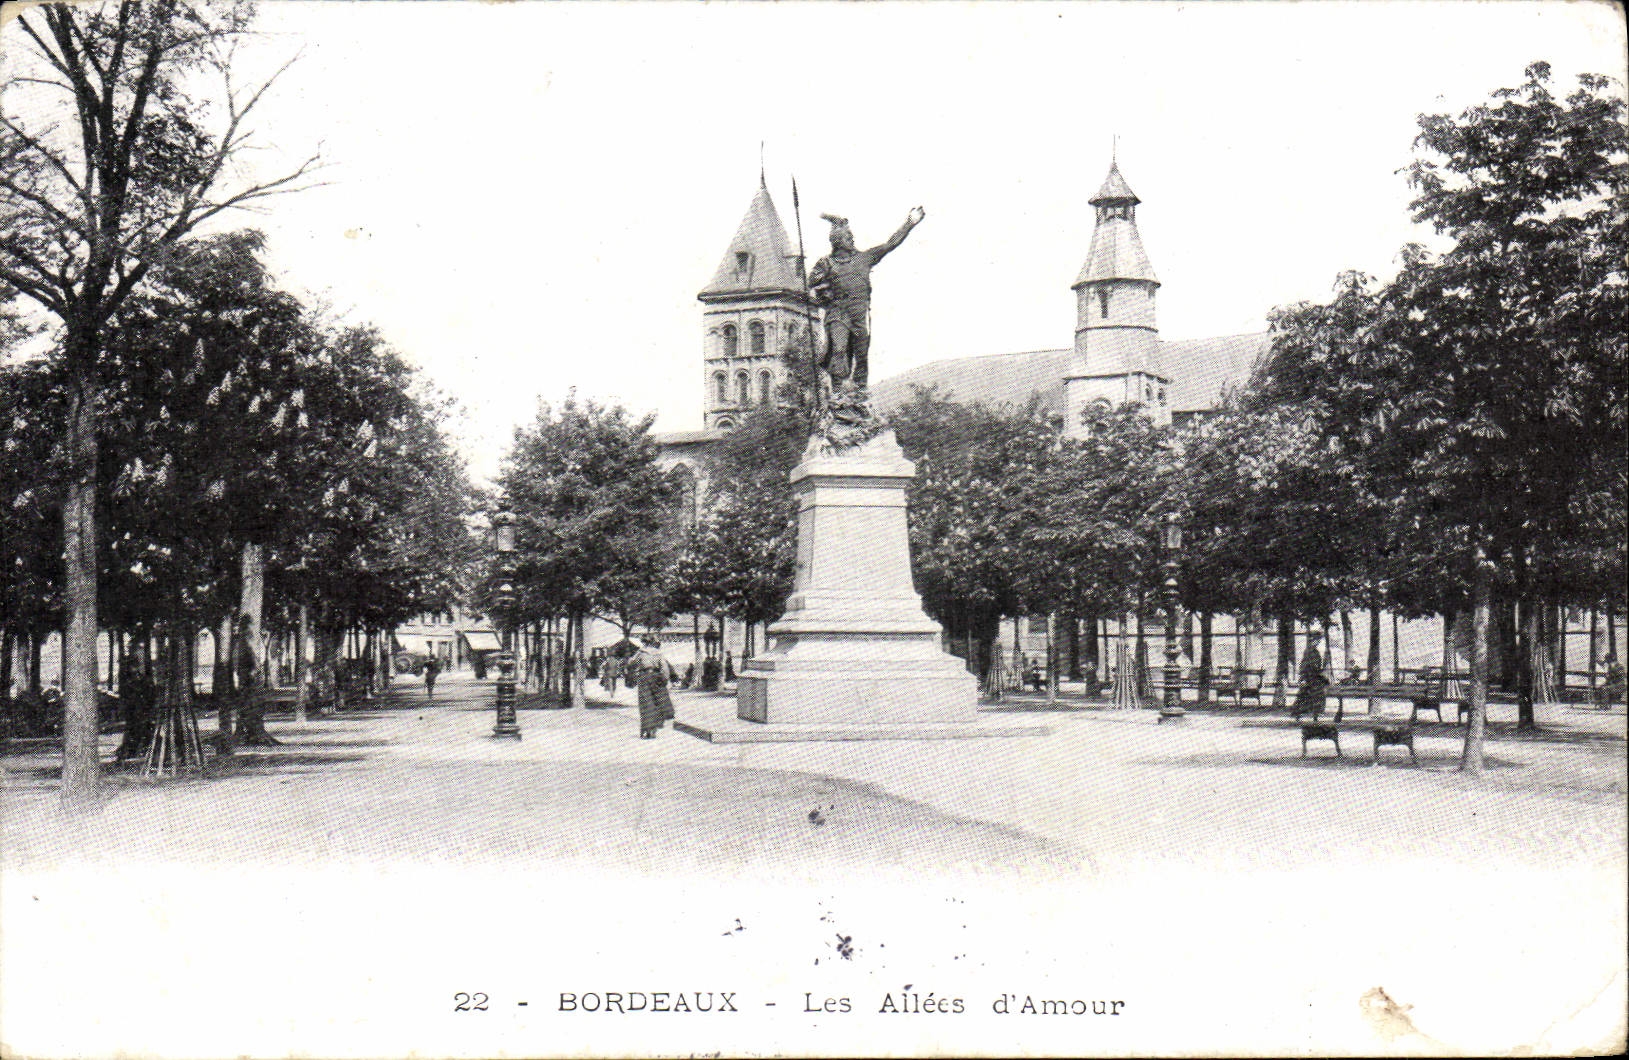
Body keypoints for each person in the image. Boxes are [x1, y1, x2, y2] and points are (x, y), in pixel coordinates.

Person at [806, 206, 925, 390]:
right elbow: (810, 285)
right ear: (837, 242)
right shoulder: (826, 263)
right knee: (839, 350)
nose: (852, 239)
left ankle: (860, 393)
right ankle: (837, 392)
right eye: (848, 237)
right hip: (838, 312)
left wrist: (909, 223)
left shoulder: (864, 258)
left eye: (851, 236)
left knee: (861, 355)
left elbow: (890, 244)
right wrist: (823, 293)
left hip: (859, 313)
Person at [631, 635, 678, 739]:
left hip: (644, 678)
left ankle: (647, 729)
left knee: (646, 703)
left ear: (644, 642)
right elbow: (665, 668)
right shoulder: (659, 653)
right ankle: (654, 729)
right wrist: (664, 681)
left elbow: (631, 662)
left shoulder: (640, 652)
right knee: (658, 702)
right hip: (656, 678)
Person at [1292, 631, 1329, 720]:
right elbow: (1305, 665)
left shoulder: (1314, 651)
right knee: (1308, 695)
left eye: (1319, 640)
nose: (1318, 642)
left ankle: (1314, 714)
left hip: (1312, 677)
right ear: (1313, 640)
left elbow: (1316, 666)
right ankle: (1301, 713)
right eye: (1317, 640)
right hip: (1309, 678)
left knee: (1310, 695)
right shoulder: (1309, 651)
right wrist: (1303, 678)